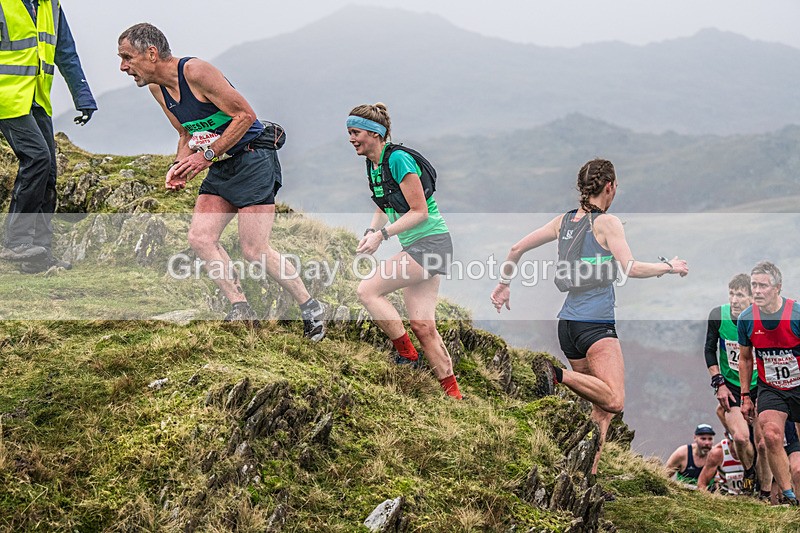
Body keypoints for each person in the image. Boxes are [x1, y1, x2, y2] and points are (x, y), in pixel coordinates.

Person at [117, 23, 324, 339]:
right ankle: (241, 308)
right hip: (221, 165)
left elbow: (245, 116)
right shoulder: (158, 88)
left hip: (254, 159)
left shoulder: (196, 72)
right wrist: (180, 165)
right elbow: (186, 132)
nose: (123, 67)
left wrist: (205, 157)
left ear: (151, 53)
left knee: (254, 249)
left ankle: (309, 306)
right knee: (200, 237)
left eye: (127, 57)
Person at [490, 158, 688, 473]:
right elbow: (631, 268)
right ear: (609, 187)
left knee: (600, 407)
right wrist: (669, 267)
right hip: (595, 326)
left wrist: (503, 284)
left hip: (568, 327)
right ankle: (555, 374)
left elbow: (516, 248)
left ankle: (587, 474)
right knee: (615, 400)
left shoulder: (563, 221)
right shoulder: (607, 223)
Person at [346, 103, 462, 400]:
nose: (351, 139)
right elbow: (384, 203)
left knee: (367, 291)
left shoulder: (397, 159)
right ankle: (454, 396)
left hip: (431, 243)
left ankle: (407, 356)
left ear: (375, 133)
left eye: (355, 132)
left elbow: (419, 212)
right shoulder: (373, 164)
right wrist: (373, 231)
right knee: (423, 325)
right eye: (349, 132)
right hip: (419, 246)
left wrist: (382, 236)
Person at [0, 0, 96, 272]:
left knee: (49, 173)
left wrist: (82, 95)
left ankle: (37, 255)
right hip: (5, 99)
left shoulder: (50, 6)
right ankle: (16, 241)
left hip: (36, 97)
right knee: (37, 158)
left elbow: (66, 51)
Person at [739, 261, 800, 505]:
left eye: (763, 285)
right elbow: (745, 358)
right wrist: (745, 396)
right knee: (771, 435)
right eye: (754, 285)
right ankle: (788, 497)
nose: (757, 291)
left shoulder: (796, 315)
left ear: (777, 288)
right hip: (771, 387)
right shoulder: (747, 319)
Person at [704, 273, 767, 493]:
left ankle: (764, 489)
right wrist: (718, 382)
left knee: (762, 443)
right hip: (730, 386)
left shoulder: (760, 318)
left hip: (759, 387)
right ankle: (749, 474)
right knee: (740, 437)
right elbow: (709, 350)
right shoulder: (718, 315)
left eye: (740, 295)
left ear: (751, 298)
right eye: (731, 293)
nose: (734, 300)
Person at [665, 424, 716, 489]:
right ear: (695, 438)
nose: (707, 443)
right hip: (683, 494)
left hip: (708, 496)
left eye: (710, 439)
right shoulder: (681, 453)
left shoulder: (716, 455)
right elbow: (665, 476)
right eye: (703, 439)